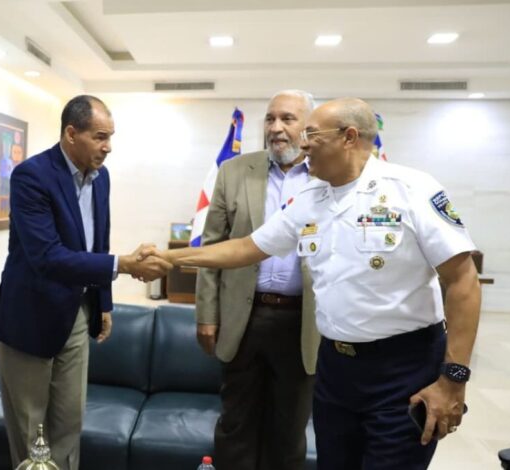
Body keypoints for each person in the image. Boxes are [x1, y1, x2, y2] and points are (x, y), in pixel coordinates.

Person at [144, 98, 481, 470]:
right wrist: (169, 258)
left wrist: (453, 379)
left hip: (402, 370)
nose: (302, 144)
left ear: (349, 137)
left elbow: (463, 281)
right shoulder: (310, 198)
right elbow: (246, 248)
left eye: (312, 135)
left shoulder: (410, 189)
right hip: (335, 369)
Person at [0, 95, 171, 470]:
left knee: (69, 423)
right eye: (100, 137)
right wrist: (123, 264)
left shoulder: (101, 178)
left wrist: (103, 303)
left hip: (76, 312)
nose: (108, 147)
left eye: (110, 137)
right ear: (71, 134)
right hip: (29, 318)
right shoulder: (31, 177)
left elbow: (97, 241)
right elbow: (47, 256)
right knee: (31, 431)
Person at [195, 90, 319, 470]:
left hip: (302, 323)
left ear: (308, 127)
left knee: (289, 432)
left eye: (287, 119)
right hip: (243, 319)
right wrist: (206, 315)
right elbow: (212, 248)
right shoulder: (234, 171)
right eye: (270, 118)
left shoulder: (327, 175)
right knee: (235, 426)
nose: (276, 128)